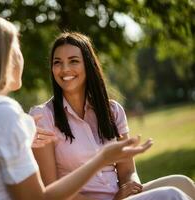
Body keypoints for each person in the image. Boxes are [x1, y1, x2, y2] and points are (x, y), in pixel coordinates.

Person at [0, 13, 161, 200]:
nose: (21, 57)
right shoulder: (2, 114)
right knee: (173, 195)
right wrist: (100, 160)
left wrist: (19, 133)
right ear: (2, 59)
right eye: (16, 48)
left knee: (177, 189)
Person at [29, 32, 195, 200]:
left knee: (184, 184)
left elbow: (128, 171)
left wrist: (128, 187)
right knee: (172, 195)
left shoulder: (113, 110)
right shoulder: (43, 116)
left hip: (119, 197)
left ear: (89, 65)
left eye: (73, 61)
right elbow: (50, 186)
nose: (65, 69)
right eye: (57, 62)